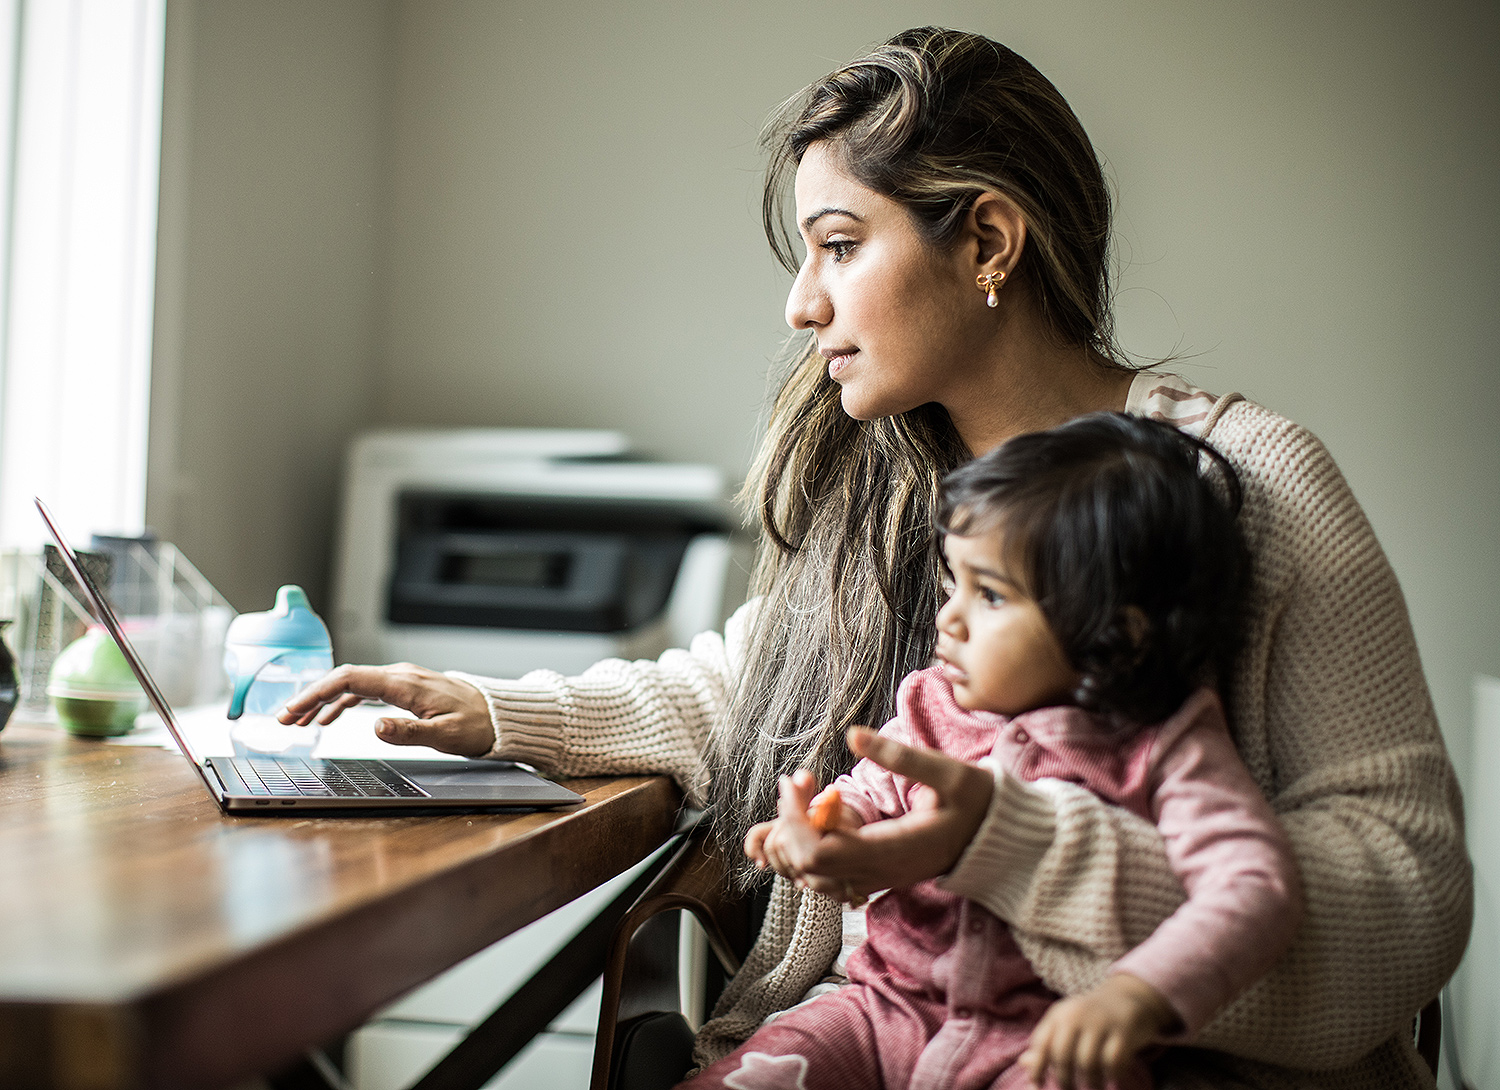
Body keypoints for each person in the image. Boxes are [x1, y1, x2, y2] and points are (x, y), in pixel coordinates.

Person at [280, 27, 1470, 1088]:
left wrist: (1015, 855)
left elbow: (1409, 891)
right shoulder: (883, 489)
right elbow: (750, 696)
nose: (802, 304)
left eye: (840, 245)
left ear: (989, 241)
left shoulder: (1246, 483)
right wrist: (488, 711)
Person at [696, 412, 1304, 1090]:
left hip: (1048, 1046)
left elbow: (1253, 887)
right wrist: (832, 828)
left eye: (989, 594)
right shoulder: (934, 704)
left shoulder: (1169, 744)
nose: (947, 617)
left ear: (1119, 634)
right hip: (881, 1010)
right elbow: (867, 794)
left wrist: (1140, 994)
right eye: (953, 581)